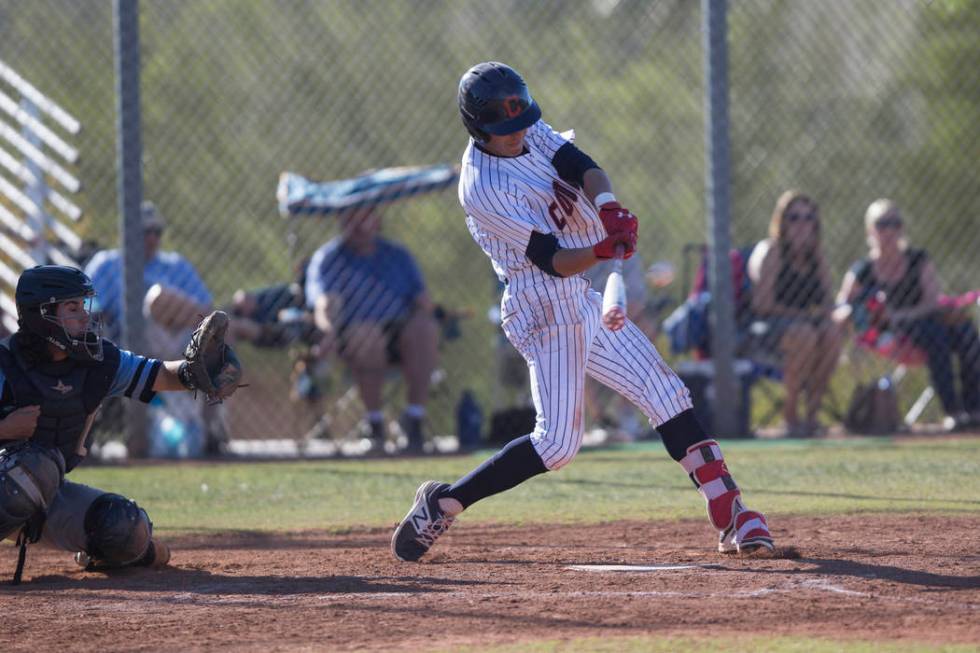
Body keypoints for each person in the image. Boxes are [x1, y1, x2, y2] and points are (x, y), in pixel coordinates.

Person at [390, 61, 774, 562]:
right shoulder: (482, 186)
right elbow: (551, 259)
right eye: (504, 130)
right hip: (541, 304)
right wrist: (600, 250)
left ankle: (732, 512)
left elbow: (578, 163)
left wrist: (609, 207)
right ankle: (442, 503)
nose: (518, 133)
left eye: (521, 121)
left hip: (579, 296)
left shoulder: (526, 125)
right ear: (478, 128)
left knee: (666, 392)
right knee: (557, 445)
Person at [0, 265, 241, 583]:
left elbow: (158, 375)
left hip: (46, 494)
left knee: (121, 526)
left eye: (84, 305)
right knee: (33, 468)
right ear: (43, 314)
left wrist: (200, 371)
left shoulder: (96, 362)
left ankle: (137, 551)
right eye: (72, 308)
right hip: (14, 481)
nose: (85, 316)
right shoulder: (6, 364)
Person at [835, 199, 980, 431]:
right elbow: (842, 304)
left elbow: (932, 302)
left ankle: (974, 409)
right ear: (870, 230)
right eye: (882, 224)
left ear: (902, 228)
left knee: (965, 332)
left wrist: (897, 314)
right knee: (936, 336)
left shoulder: (918, 260)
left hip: (922, 323)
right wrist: (864, 312)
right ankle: (953, 411)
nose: (890, 230)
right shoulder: (862, 270)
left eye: (895, 223)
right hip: (888, 335)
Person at [304, 204, 439, 453]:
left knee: (425, 328)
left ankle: (413, 419)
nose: (359, 226)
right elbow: (325, 303)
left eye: (365, 218)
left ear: (377, 221)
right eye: (351, 219)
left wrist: (425, 311)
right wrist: (328, 331)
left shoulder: (398, 255)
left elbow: (422, 299)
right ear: (342, 222)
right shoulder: (330, 258)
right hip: (353, 335)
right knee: (368, 335)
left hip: (399, 334)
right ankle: (374, 422)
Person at [746, 191, 842, 437]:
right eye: (794, 217)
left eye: (808, 218)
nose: (802, 224)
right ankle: (790, 415)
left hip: (808, 325)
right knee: (805, 333)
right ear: (782, 221)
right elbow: (762, 304)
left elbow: (828, 301)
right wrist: (802, 314)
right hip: (767, 328)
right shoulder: (773, 251)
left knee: (832, 333)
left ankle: (812, 414)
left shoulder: (816, 256)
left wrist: (833, 314)